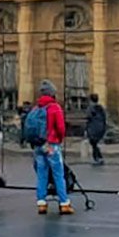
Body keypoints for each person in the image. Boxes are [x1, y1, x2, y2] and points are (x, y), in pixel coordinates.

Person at [28, 80, 71, 215]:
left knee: (42, 174)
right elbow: (60, 127)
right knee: (58, 174)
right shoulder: (54, 107)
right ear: (52, 94)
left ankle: (41, 203)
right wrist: (59, 139)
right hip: (51, 144)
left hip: (38, 145)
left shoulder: (36, 108)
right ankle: (64, 203)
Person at [84, 94, 108, 166]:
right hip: (101, 127)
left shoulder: (90, 108)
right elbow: (104, 118)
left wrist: (86, 129)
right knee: (95, 144)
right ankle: (99, 158)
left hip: (93, 128)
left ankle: (97, 158)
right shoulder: (101, 108)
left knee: (93, 144)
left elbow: (88, 118)